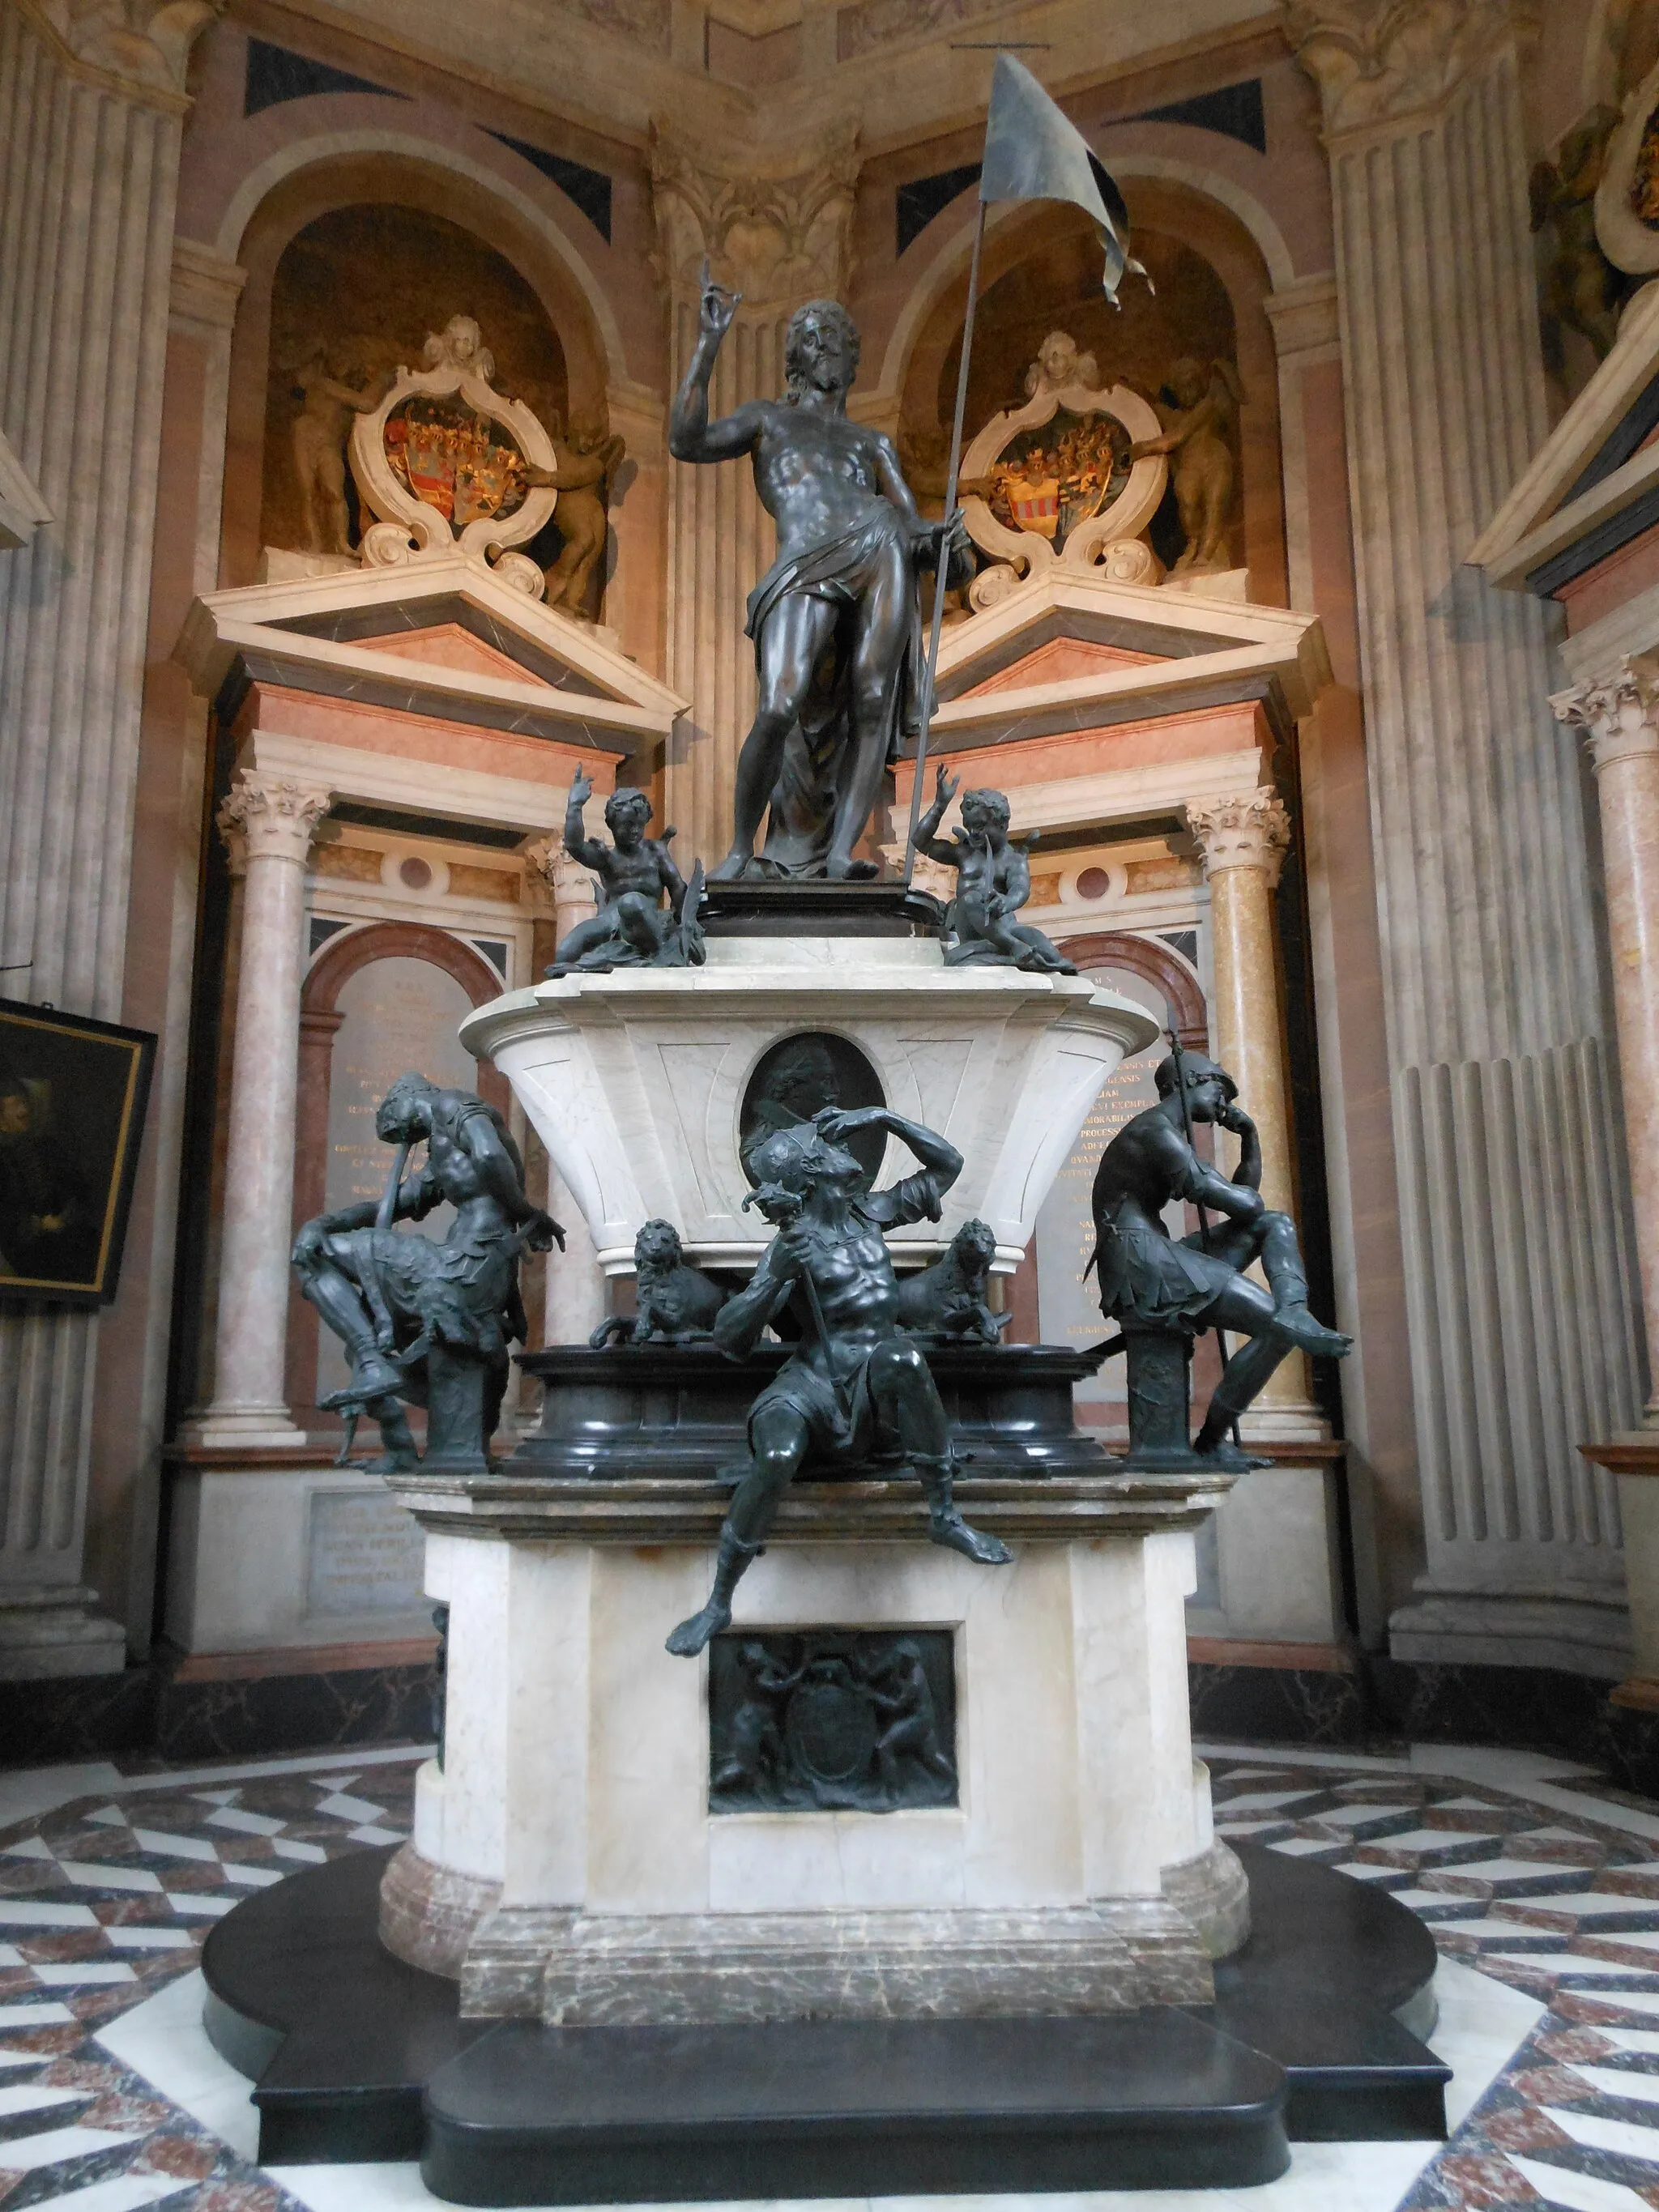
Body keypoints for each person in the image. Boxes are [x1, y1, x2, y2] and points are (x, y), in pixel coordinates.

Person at [665, 1105, 1009, 1657]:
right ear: (812, 1173)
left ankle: (945, 1516)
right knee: (776, 1458)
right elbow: (730, 1341)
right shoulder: (790, 1246)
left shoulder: (872, 1213)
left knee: (903, 1358)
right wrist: (773, 1278)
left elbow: (949, 1164)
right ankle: (718, 1602)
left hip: (872, 1382)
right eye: (821, 1142)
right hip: (812, 1385)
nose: (839, 1142)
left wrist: (881, 1116)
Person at [668, 267, 966, 880]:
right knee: (778, 704)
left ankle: (837, 855)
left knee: (873, 696)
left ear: (854, 361)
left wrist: (940, 538)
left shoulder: (871, 442)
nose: (828, 346)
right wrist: (708, 343)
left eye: (839, 340)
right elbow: (686, 439)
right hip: (804, 561)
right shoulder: (767, 420)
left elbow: (910, 526)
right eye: (815, 337)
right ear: (796, 356)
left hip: (878, 540)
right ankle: (737, 851)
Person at [292, 1072, 562, 1468]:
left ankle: (373, 1363)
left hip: (466, 1266)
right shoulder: (442, 1145)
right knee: (349, 1302)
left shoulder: (451, 1105)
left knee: (316, 1256)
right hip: (466, 1266)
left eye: (396, 1129)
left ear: (402, 1101)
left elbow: (489, 1157)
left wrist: (529, 1216)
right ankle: (397, 1438)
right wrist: (325, 1223)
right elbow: (401, 1201)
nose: (403, 1140)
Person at [1090, 1051, 1350, 1458]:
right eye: (1219, 1088)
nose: (1224, 1104)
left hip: (1154, 1253)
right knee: (1274, 1327)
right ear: (1189, 1080)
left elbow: (1252, 1207)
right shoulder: (1154, 1132)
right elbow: (1241, 1203)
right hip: (1138, 1263)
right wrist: (1245, 1189)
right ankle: (1210, 1443)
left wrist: (1250, 1137)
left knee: (1275, 1225)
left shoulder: (1166, 1131)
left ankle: (1294, 1308)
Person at [911, 771, 1075, 973]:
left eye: (979, 826)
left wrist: (1006, 902)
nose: (973, 833)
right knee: (972, 899)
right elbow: (920, 841)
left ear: (1002, 824)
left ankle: (1012, 953)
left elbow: (1020, 889)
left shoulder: (1014, 860)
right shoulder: (965, 853)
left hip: (1005, 924)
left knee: (1042, 946)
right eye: (969, 827)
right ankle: (1012, 948)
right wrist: (939, 806)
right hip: (971, 927)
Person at [544, 767, 702, 975]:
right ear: (612, 824)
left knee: (632, 902)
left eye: (639, 825)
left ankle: (660, 953)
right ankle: (605, 963)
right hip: (609, 923)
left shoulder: (656, 852)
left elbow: (678, 889)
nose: (634, 831)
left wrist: (686, 926)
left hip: (645, 925)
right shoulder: (607, 857)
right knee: (564, 953)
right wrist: (575, 806)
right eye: (627, 825)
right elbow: (574, 846)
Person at [0, 1076, 96, 1284]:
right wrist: (39, 1225)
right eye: (15, 1105)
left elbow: (78, 1188)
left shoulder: (48, 1146)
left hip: (70, 1235)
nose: (24, 1111)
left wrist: (67, 1216)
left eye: (24, 1103)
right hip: (27, 1252)